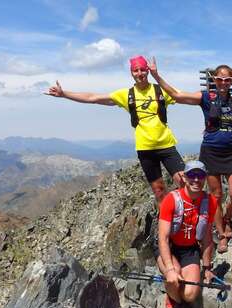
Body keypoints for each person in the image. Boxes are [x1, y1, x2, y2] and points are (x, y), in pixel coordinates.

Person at [45, 55, 185, 202]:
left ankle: (190, 218)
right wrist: (64, 94)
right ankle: (166, 223)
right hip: (145, 149)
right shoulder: (126, 94)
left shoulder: (161, 91)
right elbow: (93, 98)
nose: (140, 73)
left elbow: (182, 96)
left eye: (143, 69)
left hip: (167, 146)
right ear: (131, 73)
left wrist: (209, 97)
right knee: (159, 192)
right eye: (136, 70)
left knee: (184, 182)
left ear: (148, 71)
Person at [149, 59, 232, 253]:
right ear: (214, 80)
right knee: (216, 195)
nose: (224, 83)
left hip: (230, 151)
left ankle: (226, 219)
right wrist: (156, 76)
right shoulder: (207, 97)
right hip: (210, 151)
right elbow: (177, 94)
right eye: (220, 79)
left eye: (227, 79)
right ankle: (222, 234)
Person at [157, 160, 217, 308]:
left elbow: (206, 237)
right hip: (169, 248)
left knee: (190, 293)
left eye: (200, 176)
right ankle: (178, 305)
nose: (196, 180)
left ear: (205, 178)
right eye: (192, 175)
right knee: (173, 278)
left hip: (189, 250)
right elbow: (163, 238)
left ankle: (176, 294)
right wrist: (169, 269)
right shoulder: (171, 199)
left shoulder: (209, 202)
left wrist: (207, 268)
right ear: (184, 177)